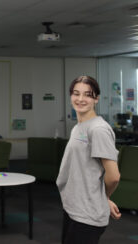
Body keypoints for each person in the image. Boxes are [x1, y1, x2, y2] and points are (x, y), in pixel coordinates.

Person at [57, 75, 121, 244]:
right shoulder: (78, 128)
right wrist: (104, 198)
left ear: (96, 99)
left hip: (87, 215)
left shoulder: (98, 129)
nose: (80, 99)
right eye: (76, 93)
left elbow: (113, 176)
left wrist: (104, 197)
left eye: (87, 94)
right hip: (73, 208)